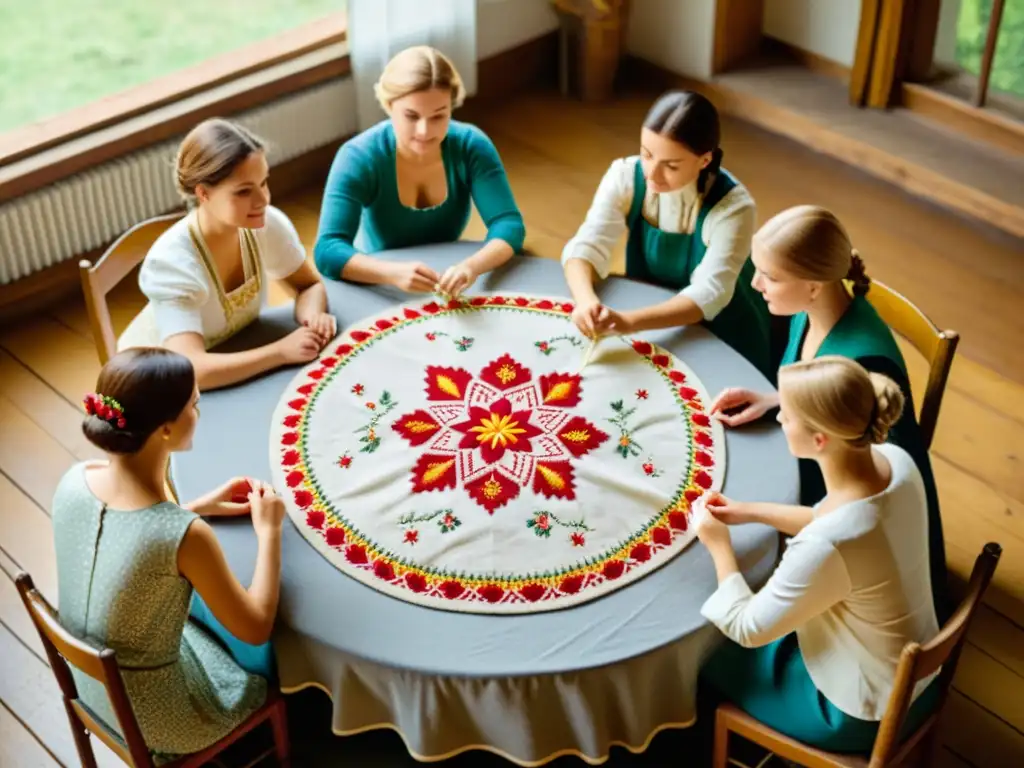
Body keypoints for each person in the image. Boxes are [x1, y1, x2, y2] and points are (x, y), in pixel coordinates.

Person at [708, 205, 949, 621]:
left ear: (814, 285)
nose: (755, 282)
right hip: (816, 465)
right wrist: (776, 401)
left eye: (770, 275)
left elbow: (866, 495)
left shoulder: (865, 366)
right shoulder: (809, 312)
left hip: (850, 530)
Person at [696, 356, 942, 753]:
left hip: (859, 711)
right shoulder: (895, 462)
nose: (779, 421)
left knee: (703, 657)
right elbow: (825, 517)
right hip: (915, 674)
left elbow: (748, 627)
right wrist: (749, 511)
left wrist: (718, 544)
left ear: (820, 440)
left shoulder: (828, 543)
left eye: (787, 417)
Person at [51, 348, 285, 760]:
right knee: (271, 654)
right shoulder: (184, 537)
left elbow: (131, 536)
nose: (199, 410)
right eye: (194, 404)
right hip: (160, 716)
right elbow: (255, 626)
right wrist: (269, 532)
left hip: (89, 681)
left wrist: (194, 507)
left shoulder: (76, 479)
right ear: (163, 429)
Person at [560, 90, 773, 380]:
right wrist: (586, 302)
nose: (652, 174)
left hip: (723, 329)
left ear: (705, 160)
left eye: (671, 166)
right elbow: (587, 244)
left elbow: (709, 293)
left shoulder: (732, 208)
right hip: (650, 314)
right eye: (647, 154)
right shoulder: (625, 176)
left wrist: (628, 321)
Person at [118, 118, 336, 390]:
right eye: (244, 191)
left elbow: (308, 285)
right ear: (203, 194)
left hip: (235, 352)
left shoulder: (265, 224)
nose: (263, 200)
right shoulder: (172, 263)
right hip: (156, 383)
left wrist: (312, 317)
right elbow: (191, 370)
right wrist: (280, 352)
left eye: (263, 182)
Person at [313, 45, 526, 297]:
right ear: (389, 105)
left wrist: (471, 267)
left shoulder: (471, 145)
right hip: (375, 280)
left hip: (443, 276)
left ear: (452, 107)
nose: (424, 131)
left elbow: (508, 224)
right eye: (411, 116)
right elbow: (327, 249)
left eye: (438, 116)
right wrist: (391, 273)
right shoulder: (358, 157)